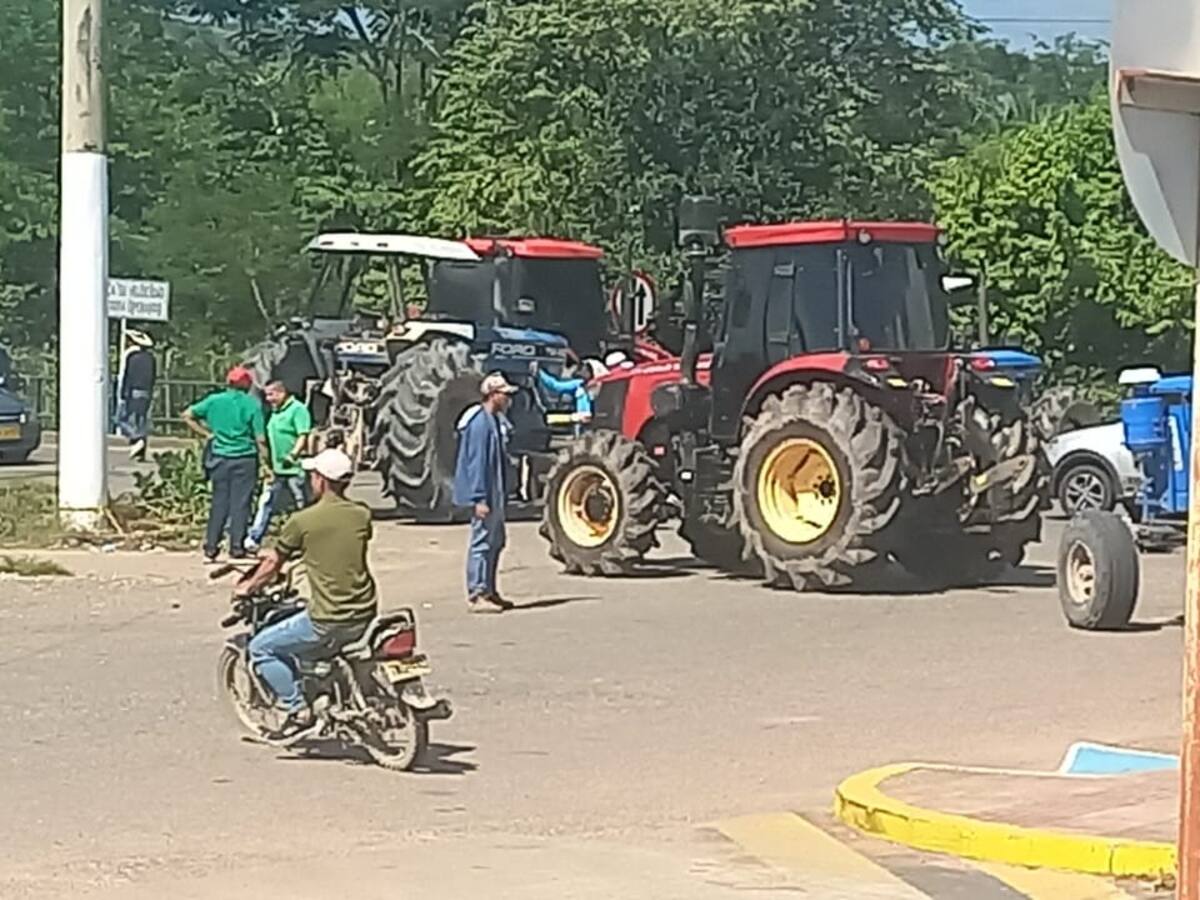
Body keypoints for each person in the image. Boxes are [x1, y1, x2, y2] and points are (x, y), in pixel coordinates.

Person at [233, 447, 375, 738]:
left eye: (312, 475)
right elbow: (336, 548)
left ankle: (297, 709)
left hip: (328, 617)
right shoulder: (361, 514)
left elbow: (273, 563)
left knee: (262, 648)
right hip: (365, 612)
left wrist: (247, 587)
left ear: (321, 480)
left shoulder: (302, 521)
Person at [182, 366, 267, 562]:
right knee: (241, 503)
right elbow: (260, 438)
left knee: (219, 502)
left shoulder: (214, 400)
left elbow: (187, 414)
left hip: (219, 456)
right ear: (246, 384)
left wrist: (207, 434)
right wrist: (267, 462)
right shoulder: (252, 404)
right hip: (245, 457)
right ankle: (236, 547)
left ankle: (211, 547)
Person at [453, 372, 518, 613]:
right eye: (505, 394)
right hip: (486, 494)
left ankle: (490, 590)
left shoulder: (496, 420)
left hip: (496, 492)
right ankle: (477, 593)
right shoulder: (480, 424)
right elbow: (477, 463)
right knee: (481, 543)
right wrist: (479, 498)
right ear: (493, 395)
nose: (508, 399)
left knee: (496, 541)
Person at [245, 381, 313, 552]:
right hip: (276, 468)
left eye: (271, 395)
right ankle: (254, 538)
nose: (268, 399)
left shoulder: (298, 409)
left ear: (282, 393)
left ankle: (307, 539)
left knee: (301, 504)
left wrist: (293, 455)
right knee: (266, 501)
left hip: (293, 468)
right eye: (266, 395)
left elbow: (303, 435)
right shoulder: (275, 412)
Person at [119, 330, 157, 461]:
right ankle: (140, 451)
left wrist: (123, 393)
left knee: (123, 419)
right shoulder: (150, 358)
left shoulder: (132, 357)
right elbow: (153, 377)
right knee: (141, 420)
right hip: (147, 391)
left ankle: (136, 438)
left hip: (134, 391)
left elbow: (128, 376)